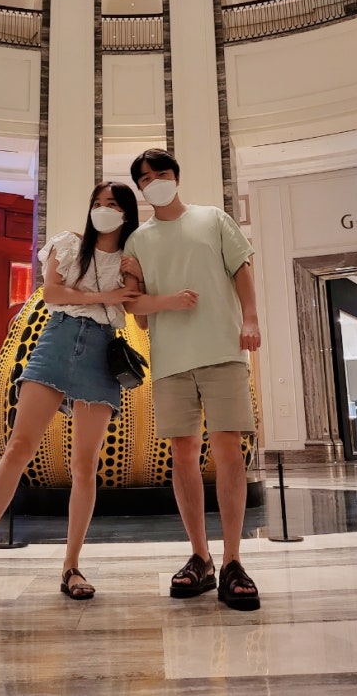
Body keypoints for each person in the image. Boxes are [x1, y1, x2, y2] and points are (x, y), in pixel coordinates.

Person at [0, 181, 140, 596]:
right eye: (97, 202)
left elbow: (135, 307)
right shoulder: (68, 244)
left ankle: (72, 567)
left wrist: (143, 290)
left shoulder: (131, 258)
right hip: (57, 341)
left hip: (101, 351)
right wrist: (106, 295)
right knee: (19, 446)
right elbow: (51, 292)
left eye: (112, 204)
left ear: (126, 213)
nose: (102, 209)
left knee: (84, 465)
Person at [122, 148, 261, 611]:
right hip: (170, 361)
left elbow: (242, 268)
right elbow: (137, 312)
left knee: (228, 451)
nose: (155, 181)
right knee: (182, 454)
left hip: (223, 351)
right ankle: (200, 557)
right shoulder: (137, 241)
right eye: (146, 178)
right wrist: (160, 296)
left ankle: (233, 560)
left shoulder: (213, 218)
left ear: (176, 177)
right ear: (140, 188)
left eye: (161, 173)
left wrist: (251, 319)